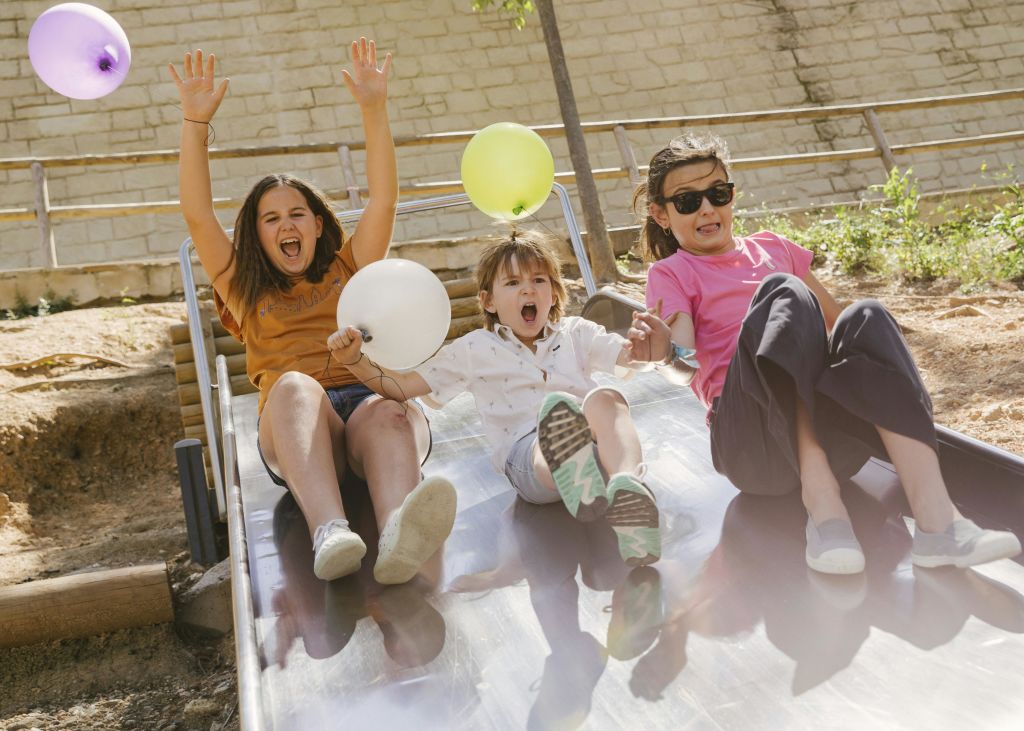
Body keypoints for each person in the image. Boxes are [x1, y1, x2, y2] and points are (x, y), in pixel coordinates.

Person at [635, 132, 1021, 575]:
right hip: (754, 448)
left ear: (731, 196)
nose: (707, 208)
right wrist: (663, 353)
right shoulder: (673, 273)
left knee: (867, 314)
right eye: (687, 201)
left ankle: (939, 524)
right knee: (783, 291)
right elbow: (683, 357)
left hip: (836, 441)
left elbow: (838, 325)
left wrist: (879, 368)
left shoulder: (774, 249)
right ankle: (826, 513)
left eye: (718, 193)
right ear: (660, 214)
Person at [169, 40, 456, 584]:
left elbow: (383, 201)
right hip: (302, 427)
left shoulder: (350, 266)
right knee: (296, 386)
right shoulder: (243, 286)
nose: (286, 226)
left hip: (369, 405)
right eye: (271, 218)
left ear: (318, 224)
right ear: (255, 235)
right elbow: (198, 214)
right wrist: (195, 122)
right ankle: (330, 531)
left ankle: (400, 531)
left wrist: (374, 107)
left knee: (388, 407)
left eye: (297, 213)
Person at [328, 231, 665, 566]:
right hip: (529, 458)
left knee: (607, 398)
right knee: (551, 435)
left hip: (595, 449)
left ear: (554, 293)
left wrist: (643, 345)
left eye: (538, 280)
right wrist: (355, 361)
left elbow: (628, 356)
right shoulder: (474, 349)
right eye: (513, 283)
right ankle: (570, 463)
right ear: (489, 301)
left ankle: (628, 488)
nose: (529, 289)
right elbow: (400, 387)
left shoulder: (576, 332)